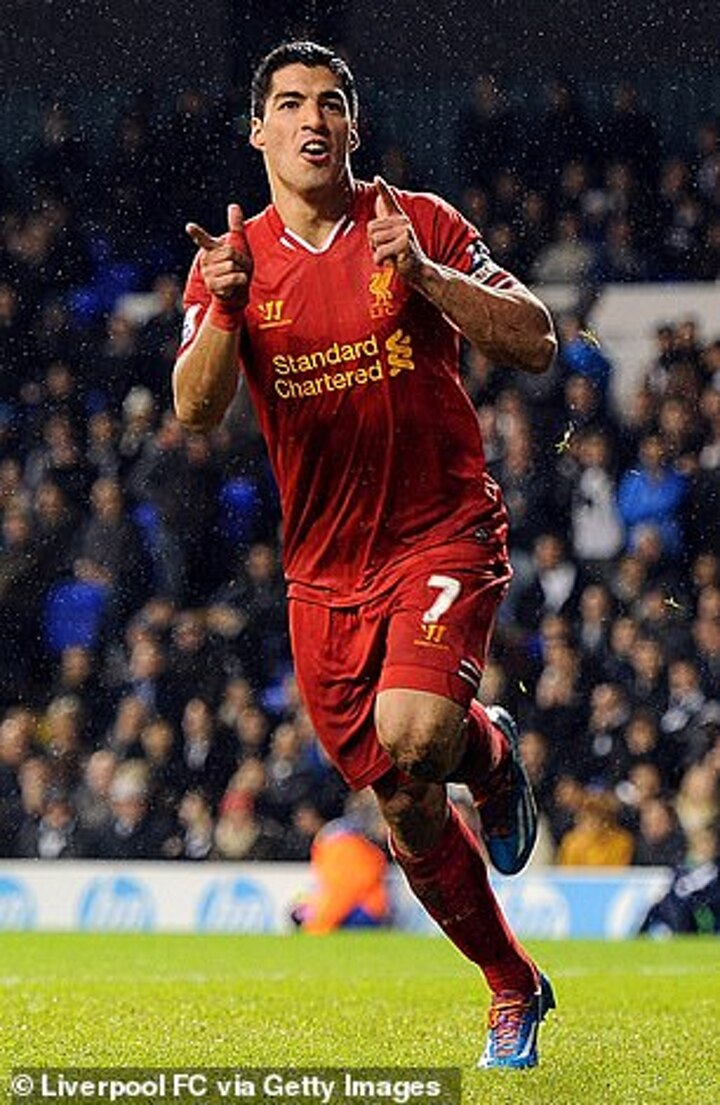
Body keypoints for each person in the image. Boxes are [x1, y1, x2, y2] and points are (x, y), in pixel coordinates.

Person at [174, 41, 557, 1070]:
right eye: (291, 103)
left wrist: (424, 274)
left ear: (352, 126)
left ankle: (475, 748)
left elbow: (536, 339)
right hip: (324, 572)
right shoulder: (230, 261)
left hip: (441, 528)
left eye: (332, 103)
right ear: (258, 130)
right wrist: (225, 309)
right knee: (404, 798)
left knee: (414, 730)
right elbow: (196, 409)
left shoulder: (416, 219)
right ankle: (511, 979)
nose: (314, 118)